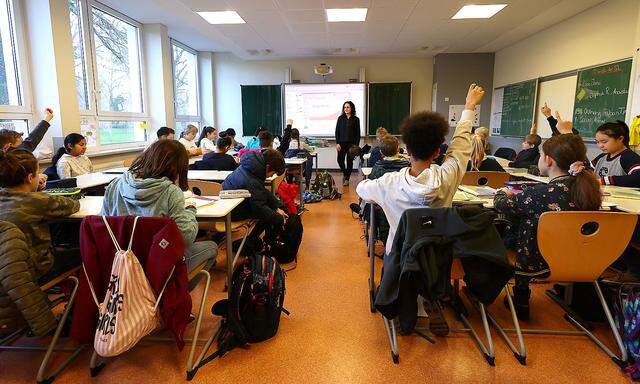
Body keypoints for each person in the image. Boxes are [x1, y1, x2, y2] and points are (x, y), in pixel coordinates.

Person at [356, 84, 484, 334]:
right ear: (438, 151)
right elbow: (460, 148)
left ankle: (403, 304)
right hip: (440, 255)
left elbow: (361, 189)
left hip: (400, 256)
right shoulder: (448, 176)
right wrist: (469, 107)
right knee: (430, 257)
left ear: (407, 150)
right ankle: (432, 295)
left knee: (398, 248)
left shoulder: (388, 184)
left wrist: (373, 190)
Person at [494, 134, 601, 320]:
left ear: (549, 160)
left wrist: (502, 192)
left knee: (518, 227)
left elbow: (502, 204)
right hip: (581, 260)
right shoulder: (589, 192)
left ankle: (521, 299)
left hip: (536, 261)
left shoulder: (539, 194)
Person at [101, 140, 217, 275]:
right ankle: (171, 293)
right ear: (179, 167)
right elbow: (185, 238)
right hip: (157, 266)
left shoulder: (114, 185)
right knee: (212, 247)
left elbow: (103, 224)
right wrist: (190, 209)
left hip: (120, 262)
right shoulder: (171, 192)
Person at [0, 149, 81, 280]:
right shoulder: (38, 201)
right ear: (30, 178)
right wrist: (38, 192)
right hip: (36, 268)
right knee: (87, 252)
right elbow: (73, 205)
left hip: (7, 270)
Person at [222, 149, 287, 247]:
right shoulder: (253, 180)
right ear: (268, 167)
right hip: (233, 211)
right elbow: (260, 209)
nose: (271, 176)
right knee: (268, 216)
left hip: (228, 204)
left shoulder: (249, 167)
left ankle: (263, 240)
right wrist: (280, 219)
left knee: (269, 208)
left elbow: (261, 191)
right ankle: (252, 242)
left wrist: (277, 205)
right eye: (272, 173)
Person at [592, 120, 640, 187]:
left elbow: (637, 178)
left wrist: (607, 180)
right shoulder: (601, 157)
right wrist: (579, 169)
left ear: (620, 139)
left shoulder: (629, 157)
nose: (600, 146)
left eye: (604, 141)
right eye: (597, 142)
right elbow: (588, 169)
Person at [335, 101, 361, 186]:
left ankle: (347, 179)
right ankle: (345, 173)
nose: (346, 109)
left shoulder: (356, 119)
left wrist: (356, 146)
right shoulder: (340, 118)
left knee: (349, 162)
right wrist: (337, 143)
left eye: (348, 107)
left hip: (351, 144)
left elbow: (358, 133)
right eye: (345, 107)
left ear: (351, 108)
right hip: (341, 143)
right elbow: (337, 131)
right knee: (340, 160)